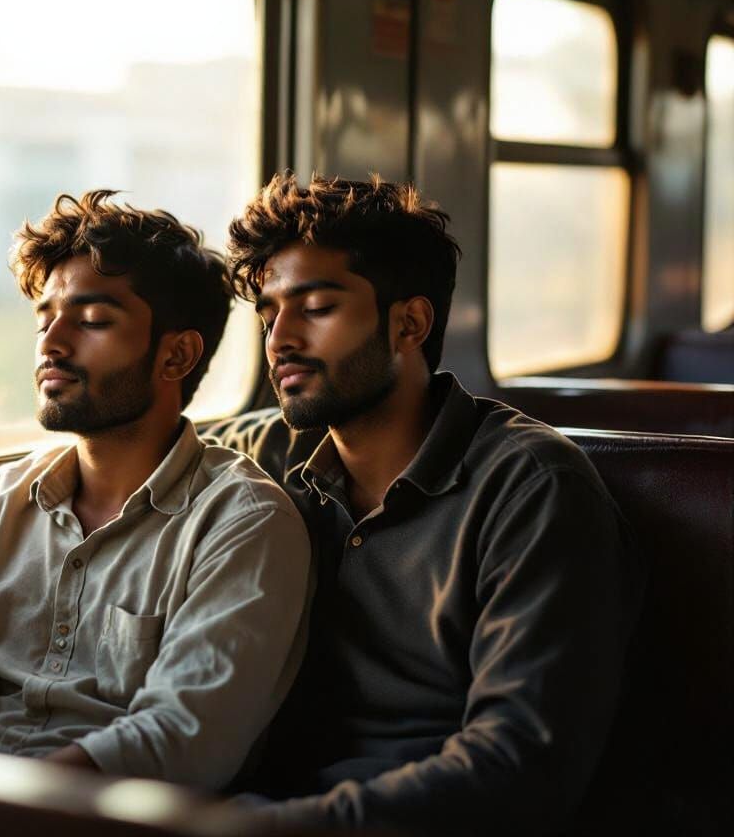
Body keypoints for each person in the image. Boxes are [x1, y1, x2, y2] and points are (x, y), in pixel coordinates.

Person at [209, 174, 644, 834]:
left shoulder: (533, 488)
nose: (280, 340)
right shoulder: (263, 455)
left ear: (408, 323)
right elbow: (144, 461)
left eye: (316, 308)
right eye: (269, 315)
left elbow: (520, 765)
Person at [0, 190, 311, 791]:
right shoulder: (4, 500)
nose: (51, 344)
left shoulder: (244, 520)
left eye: (93, 321)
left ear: (177, 355)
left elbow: (181, 738)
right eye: (44, 319)